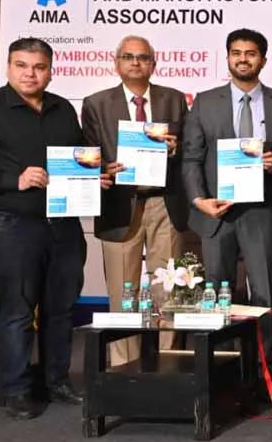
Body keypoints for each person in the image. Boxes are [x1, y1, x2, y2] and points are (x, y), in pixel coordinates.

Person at [0, 38, 116, 419]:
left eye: (38, 67)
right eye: (21, 66)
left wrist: (95, 175)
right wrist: (14, 179)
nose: (30, 74)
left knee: (61, 307)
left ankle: (56, 380)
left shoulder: (62, 109)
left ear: (51, 71)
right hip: (9, 222)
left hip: (62, 223)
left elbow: (75, 159)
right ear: (8, 68)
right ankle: (18, 390)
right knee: (18, 309)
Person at [182, 28, 272, 368]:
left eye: (250, 53)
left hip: (262, 210)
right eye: (236, 53)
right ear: (228, 58)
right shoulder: (205, 102)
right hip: (217, 210)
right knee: (217, 291)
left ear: (263, 59)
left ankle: (263, 365)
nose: (243, 59)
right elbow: (191, 157)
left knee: (262, 292)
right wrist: (199, 200)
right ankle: (219, 362)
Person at [81, 35, 190, 366]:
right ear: (116, 63)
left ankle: (170, 363)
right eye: (128, 57)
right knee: (123, 292)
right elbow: (87, 151)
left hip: (165, 203)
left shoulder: (174, 99)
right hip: (119, 203)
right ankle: (123, 367)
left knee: (169, 290)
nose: (135, 62)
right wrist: (103, 167)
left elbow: (190, 146)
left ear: (153, 64)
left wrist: (177, 148)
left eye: (143, 57)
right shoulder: (96, 103)